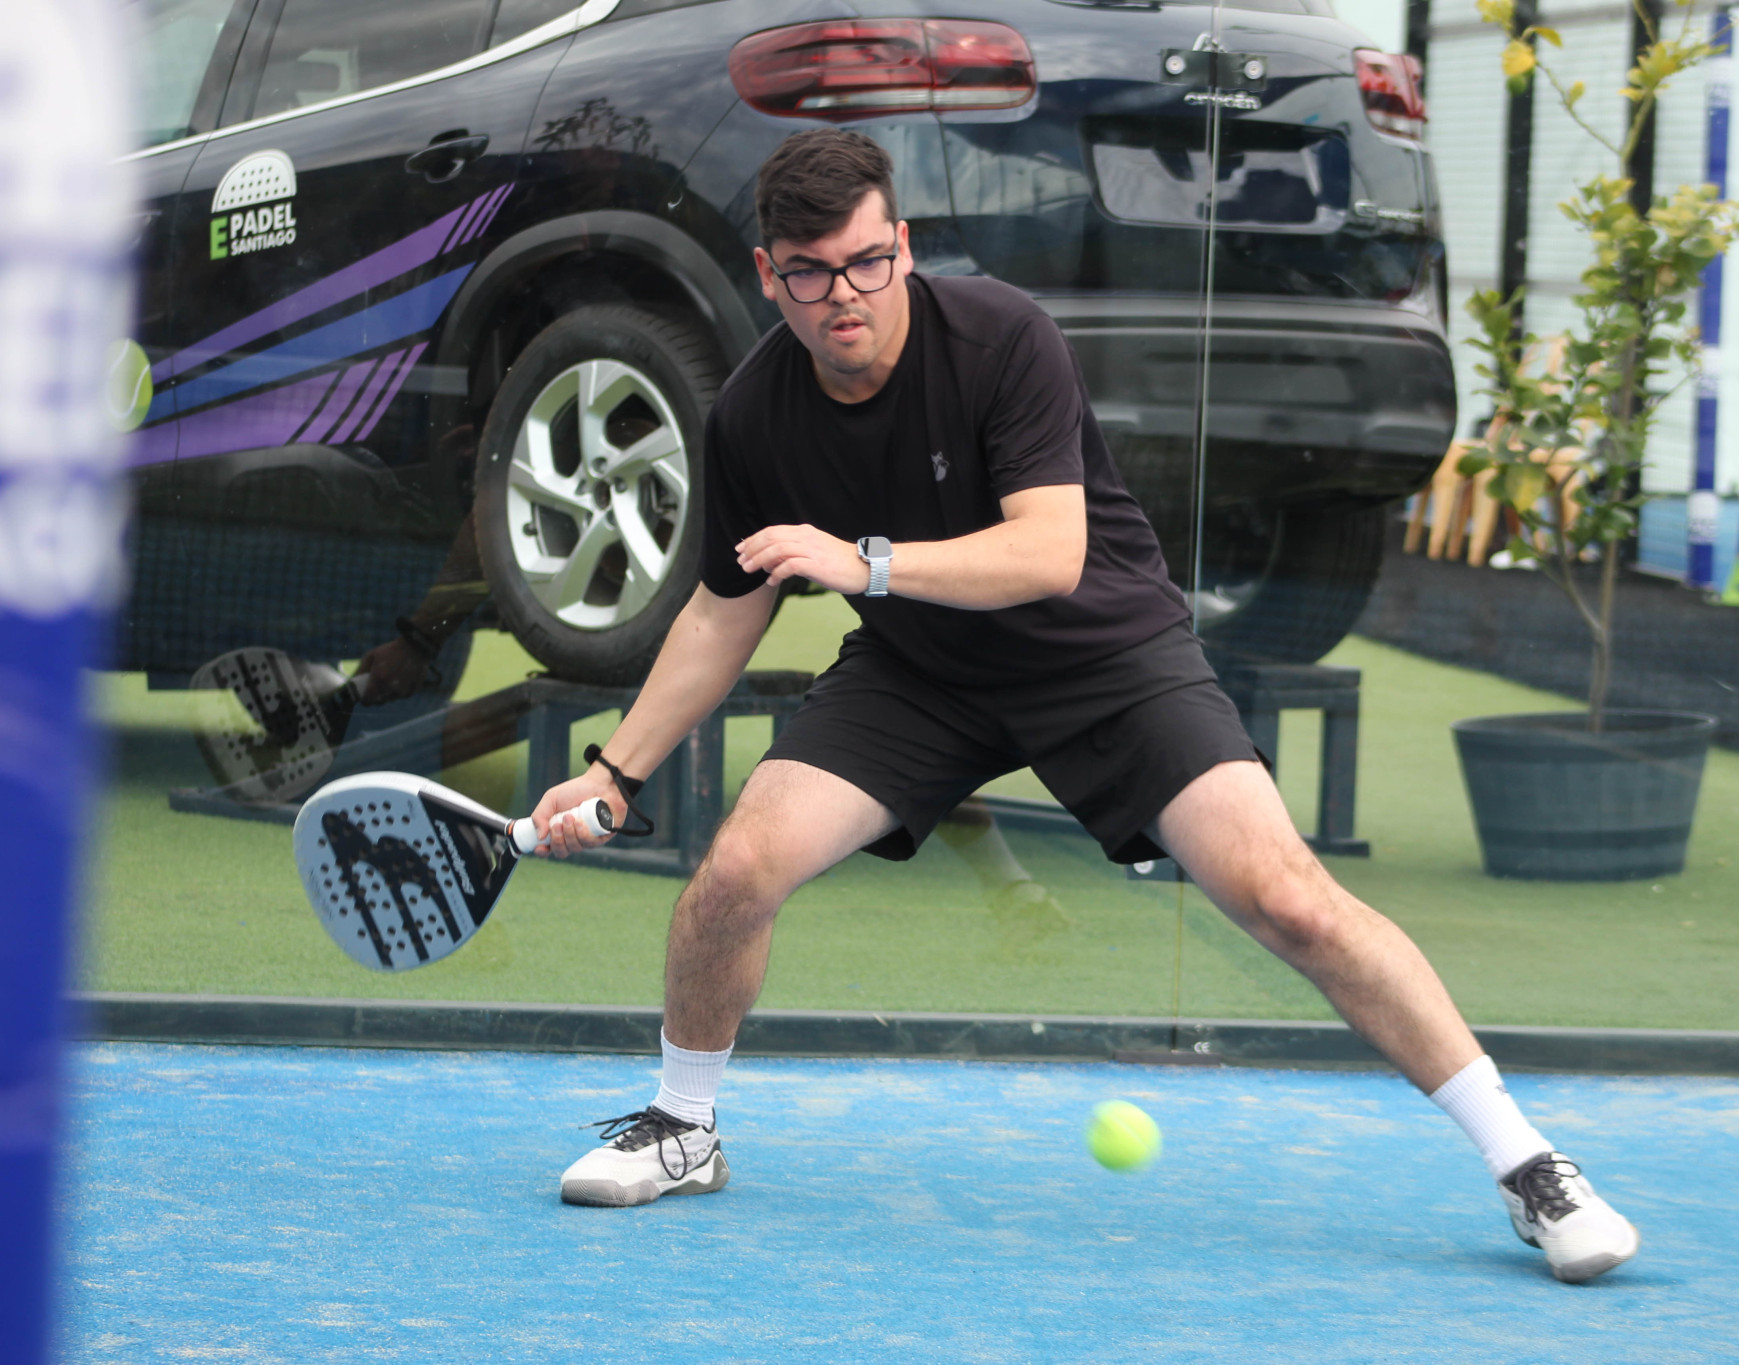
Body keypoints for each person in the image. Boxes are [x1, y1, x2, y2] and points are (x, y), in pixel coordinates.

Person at [528, 129, 1639, 1284]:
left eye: (864, 261)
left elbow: (1048, 554)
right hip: (919, 675)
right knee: (735, 872)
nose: (841, 294)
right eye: (808, 273)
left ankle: (1528, 1166)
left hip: (1104, 655)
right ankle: (683, 1127)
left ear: (900, 245)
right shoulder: (753, 415)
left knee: (1288, 899)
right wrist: (616, 773)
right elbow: (723, 610)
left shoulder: (1001, 337)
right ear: (769, 275)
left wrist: (863, 563)